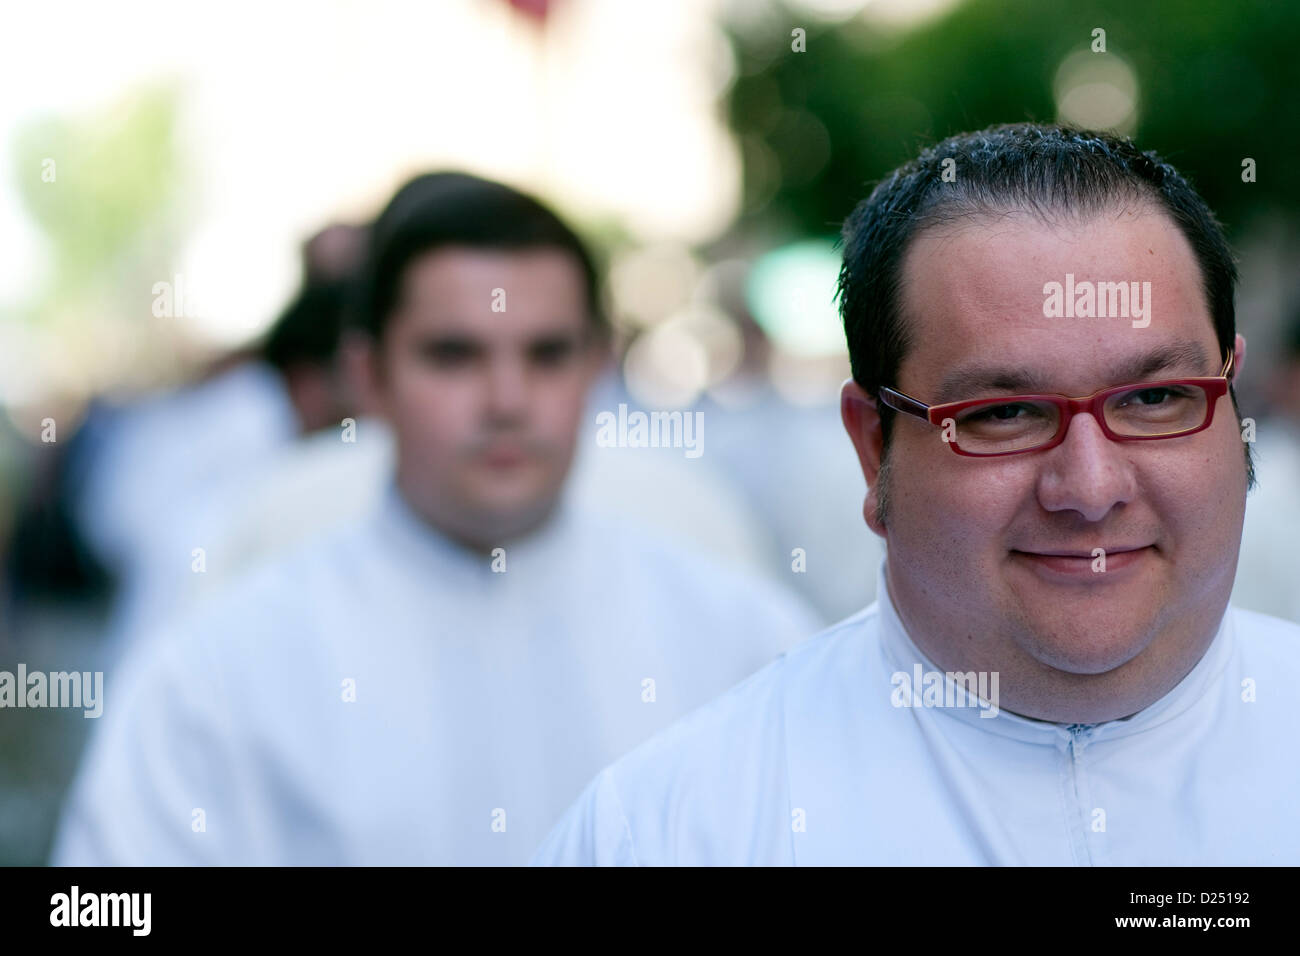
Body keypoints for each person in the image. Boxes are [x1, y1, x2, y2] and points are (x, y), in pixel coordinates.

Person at [532, 123, 1300, 866]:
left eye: (1155, 399)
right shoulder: (672, 835)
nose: (1091, 488)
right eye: (1002, 415)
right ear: (873, 449)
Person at [50, 171, 817, 865]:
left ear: (595, 365)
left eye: (547, 353)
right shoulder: (217, 672)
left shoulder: (745, 640)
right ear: (368, 377)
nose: (508, 400)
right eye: (455, 355)